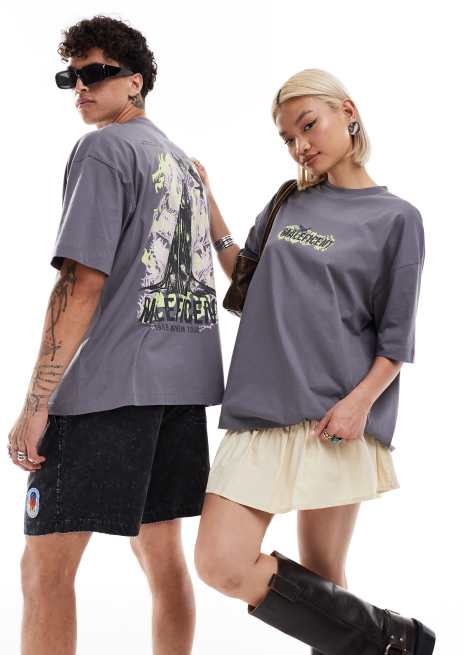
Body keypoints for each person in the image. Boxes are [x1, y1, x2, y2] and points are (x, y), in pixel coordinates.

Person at [192, 68, 435, 654]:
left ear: (347, 112)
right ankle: (394, 641)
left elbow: (396, 338)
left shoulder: (396, 218)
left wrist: (359, 405)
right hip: (258, 410)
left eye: (308, 125)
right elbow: (244, 278)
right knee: (220, 562)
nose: (301, 145)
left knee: (326, 581)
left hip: (333, 416)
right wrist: (209, 204)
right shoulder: (289, 202)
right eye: (288, 137)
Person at [7, 15, 224, 655]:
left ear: (136, 81)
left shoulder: (103, 151)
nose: (81, 87)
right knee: (163, 559)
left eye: (96, 73)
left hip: (110, 390)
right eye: (71, 77)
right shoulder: (182, 164)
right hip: (179, 391)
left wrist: (36, 404)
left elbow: (81, 283)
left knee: (44, 567)